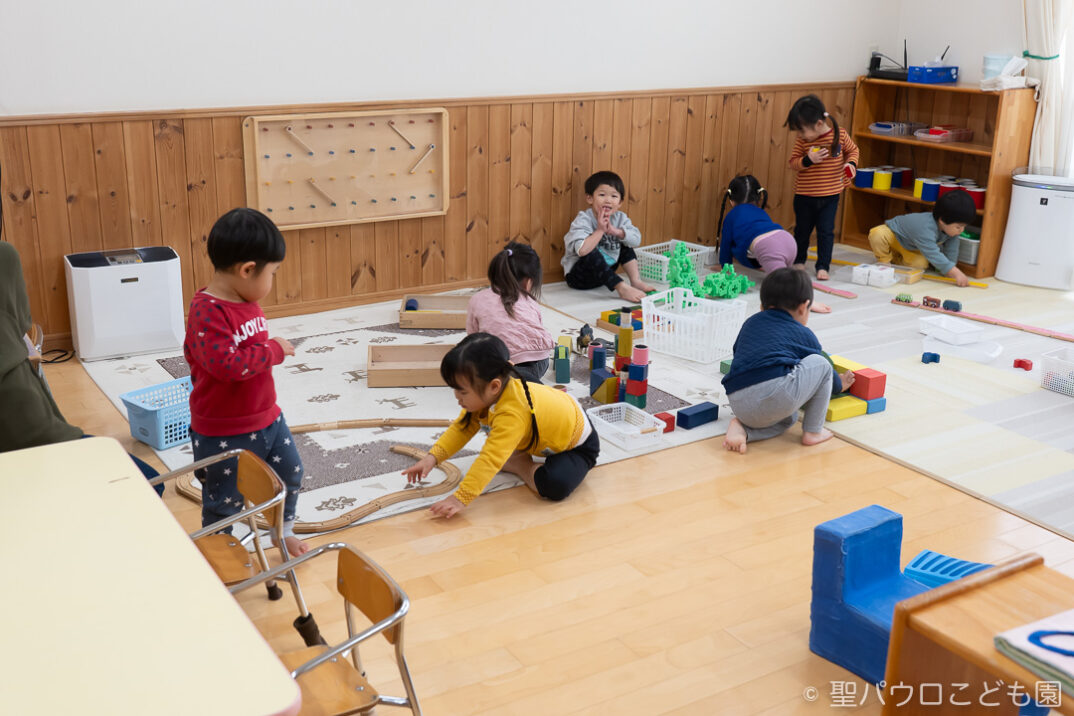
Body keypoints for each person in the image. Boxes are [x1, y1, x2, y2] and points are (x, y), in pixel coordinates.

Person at [183, 208, 308, 556]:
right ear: (247, 269)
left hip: (267, 417)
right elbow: (228, 365)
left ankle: (282, 532)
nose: (272, 281)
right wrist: (273, 350)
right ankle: (220, 554)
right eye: (272, 273)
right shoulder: (207, 311)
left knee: (290, 475)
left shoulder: (245, 298)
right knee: (225, 502)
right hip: (224, 430)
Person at [0, 241, 162, 490]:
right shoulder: (5, 255)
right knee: (152, 482)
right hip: (36, 440)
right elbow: (23, 322)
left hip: (25, 450)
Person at [402, 332, 599, 519]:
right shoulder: (492, 391)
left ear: (494, 386)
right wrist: (432, 458)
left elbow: (490, 459)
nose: (457, 398)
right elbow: (461, 429)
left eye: (463, 392)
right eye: (455, 390)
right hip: (547, 418)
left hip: (578, 443)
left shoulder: (511, 414)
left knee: (554, 486)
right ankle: (518, 446)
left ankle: (519, 463)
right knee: (518, 379)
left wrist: (461, 498)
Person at [721, 268, 855, 455]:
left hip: (738, 402)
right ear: (803, 307)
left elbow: (738, 353)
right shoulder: (803, 333)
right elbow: (822, 365)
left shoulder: (750, 323)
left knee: (789, 417)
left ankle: (744, 430)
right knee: (821, 363)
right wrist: (839, 385)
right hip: (773, 397)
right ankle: (813, 431)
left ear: (762, 306)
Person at [717, 174, 830, 313]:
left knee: (781, 284)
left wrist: (726, 270)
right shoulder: (760, 212)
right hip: (788, 240)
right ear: (758, 197)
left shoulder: (731, 216)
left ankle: (806, 302)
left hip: (770, 247)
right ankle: (792, 280)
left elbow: (726, 247)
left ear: (731, 200)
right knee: (784, 274)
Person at [785, 95, 859, 280]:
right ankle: (799, 261)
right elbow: (793, 163)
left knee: (826, 232)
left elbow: (853, 150)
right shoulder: (803, 141)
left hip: (830, 196)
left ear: (819, 124)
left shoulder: (840, 135)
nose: (800, 135)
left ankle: (823, 266)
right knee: (802, 230)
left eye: (802, 130)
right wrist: (808, 160)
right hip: (804, 196)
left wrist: (851, 164)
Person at [467, 242, 555, 383]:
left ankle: (514, 381)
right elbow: (537, 328)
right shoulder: (530, 301)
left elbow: (472, 338)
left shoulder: (477, 299)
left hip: (499, 364)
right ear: (528, 282)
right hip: (538, 362)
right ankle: (522, 382)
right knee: (517, 378)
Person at [562, 170, 654, 303]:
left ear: (620, 202)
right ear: (590, 198)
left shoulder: (620, 218)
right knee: (590, 250)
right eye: (602, 195)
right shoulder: (583, 219)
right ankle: (621, 288)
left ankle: (635, 281)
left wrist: (617, 232)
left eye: (614, 196)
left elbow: (636, 240)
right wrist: (600, 230)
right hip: (579, 277)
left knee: (626, 241)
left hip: (605, 274)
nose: (608, 200)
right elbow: (582, 250)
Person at [867, 189, 976, 287]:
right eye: (958, 227)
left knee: (920, 265)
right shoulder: (925, 227)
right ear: (942, 220)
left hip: (912, 247)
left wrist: (948, 272)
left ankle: (895, 259)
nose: (961, 230)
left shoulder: (952, 231)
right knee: (878, 234)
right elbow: (932, 253)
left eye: (964, 226)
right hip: (894, 237)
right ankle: (885, 261)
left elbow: (952, 251)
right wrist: (955, 272)